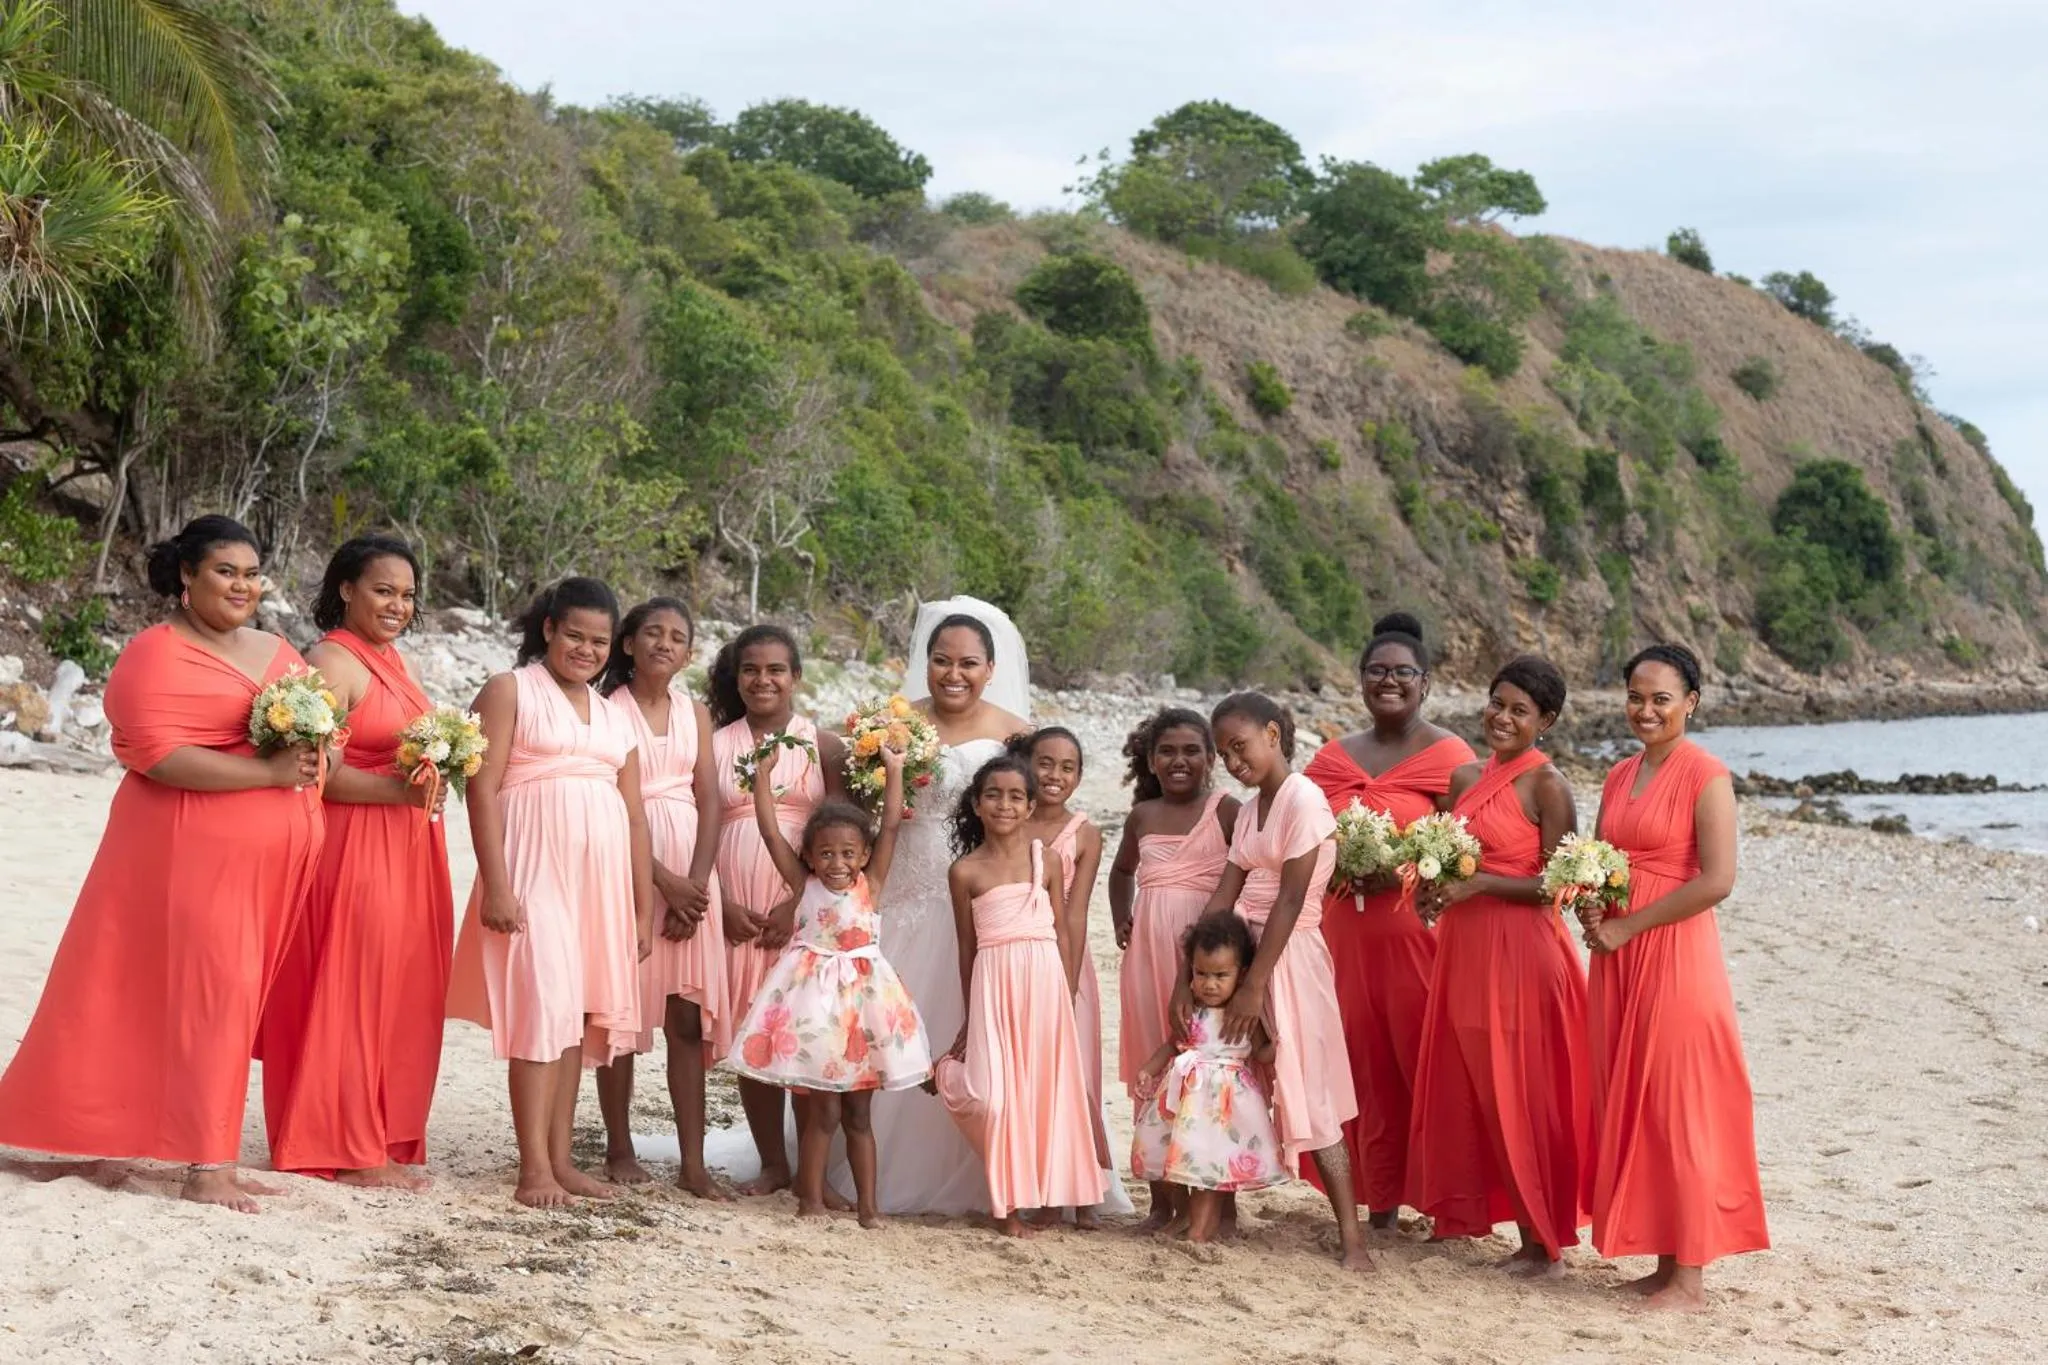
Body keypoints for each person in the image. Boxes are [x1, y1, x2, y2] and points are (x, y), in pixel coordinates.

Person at [0, 516, 324, 1213]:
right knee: (210, 992)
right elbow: (154, 753)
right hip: (183, 853)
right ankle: (207, 1167)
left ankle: (176, 1145)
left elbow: (320, 728)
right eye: (225, 571)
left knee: (226, 997)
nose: (241, 586)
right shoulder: (153, 654)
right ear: (186, 574)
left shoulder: (276, 650)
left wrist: (318, 748)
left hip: (268, 863)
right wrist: (269, 774)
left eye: (251, 573)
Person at [445, 577, 657, 1209]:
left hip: (600, 886)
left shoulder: (615, 712)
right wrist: (497, 884)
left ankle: (562, 1161)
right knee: (542, 1008)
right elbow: (480, 790)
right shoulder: (509, 689)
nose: (586, 650)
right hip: (533, 874)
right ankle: (533, 1168)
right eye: (574, 635)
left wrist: (642, 907)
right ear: (548, 629)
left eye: (599, 641)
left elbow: (635, 815)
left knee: (576, 1016)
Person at [258, 535, 451, 1191]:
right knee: (352, 986)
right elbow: (319, 773)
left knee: (394, 988)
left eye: (407, 594)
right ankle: (347, 1145)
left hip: (402, 841)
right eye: (383, 590)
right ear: (346, 589)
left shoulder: (393, 659)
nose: (398, 605)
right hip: (354, 846)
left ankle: (372, 1131)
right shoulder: (332, 662)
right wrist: (403, 792)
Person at [1580, 643, 1768, 1311]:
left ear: (1691, 702)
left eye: (1661, 698)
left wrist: (1630, 924)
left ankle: (1690, 1278)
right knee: (1640, 1102)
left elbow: (1718, 879)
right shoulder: (1618, 774)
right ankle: (1664, 1263)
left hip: (1675, 954)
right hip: (1618, 952)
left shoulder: (1706, 773)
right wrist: (1591, 902)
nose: (1646, 710)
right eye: (1635, 697)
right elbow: (1601, 858)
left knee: (1682, 1105)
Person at [849, 599, 1033, 1215]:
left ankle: (974, 1167)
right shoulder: (893, 724)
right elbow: (864, 803)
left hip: (971, 892)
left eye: (968, 664)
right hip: (900, 884)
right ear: (925, 663)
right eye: (941, 661)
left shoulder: (1016, 734)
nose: (954, 674)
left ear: (990, 669)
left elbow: (1028, 816)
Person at [1408, 656, 1589, 1273]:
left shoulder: (1548, 786)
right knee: (1476, 1088)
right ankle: (1485, 1216)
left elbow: (1560, 885)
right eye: (1496, 703)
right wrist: (1429, 890)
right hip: (1464, 949)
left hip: (1524, 954)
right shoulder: (1463, 778)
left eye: (1520, 710)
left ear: (1547, 721)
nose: (1502, 717)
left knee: (1525, 1091)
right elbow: (1447, 859)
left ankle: (1543, 1243)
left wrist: (1481, 884)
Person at [1180, 692, 1371, 1270]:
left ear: (1272, 733)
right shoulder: (1251, 809)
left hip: (1288, 959)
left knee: (1309, 1089)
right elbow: (1226, 891)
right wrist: (1186, 973)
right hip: (1243, 953)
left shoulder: (1303, 799)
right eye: (1225, 754)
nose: (1234, 761)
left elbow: (1290, 899)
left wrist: (1255, 984)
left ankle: (1352, 1239)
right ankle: (1221, 1213)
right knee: (1230, 1076)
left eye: (1240, 746)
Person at [1303, 611, 1474, 1228]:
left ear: (1426, 683)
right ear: (1360, 680)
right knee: (1357, 1064)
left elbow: (1469, 850)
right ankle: (1376, 1201)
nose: (1389, 681)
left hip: (1417, 936)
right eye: (1377, 671)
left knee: (1423, 1064)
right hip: (1341, 936)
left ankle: (1444, 1199)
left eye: (1403, 672)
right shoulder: (1331, 758)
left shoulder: (1451, 757)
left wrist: (1400, 872)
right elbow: (1300, 834)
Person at [726, 743, 930, 1227]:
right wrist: (762, 779)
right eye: (826, 854)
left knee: (859, 1116)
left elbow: (892, 826)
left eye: (848, 853)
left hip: (865, 1011)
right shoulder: (805, 886)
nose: (837, 863)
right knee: (823, 1114)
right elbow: (770, 832)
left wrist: (895, 769)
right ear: (809, 857)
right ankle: (810, 1200)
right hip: (816, 1012)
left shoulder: (870, 884)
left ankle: (869, 1208)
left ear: (864, 855)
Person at [933, 755, 1107, 1236]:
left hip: (1046, 984)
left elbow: (1062, 931)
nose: (1004, 805)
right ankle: (1006, 1208)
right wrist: (971, 1016)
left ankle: (1050, 1198)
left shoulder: (1045, 859)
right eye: (993, 795)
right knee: (996, 1098)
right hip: (995, 986)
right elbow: (966, 949)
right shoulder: (964, 871)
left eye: (1015, 796)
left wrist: (1066, 991)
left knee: (1047, 1089)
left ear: (1030, 806)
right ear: (976, 804)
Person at [593, 598, 729, 1197]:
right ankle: (618, 1147)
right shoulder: (605, 710)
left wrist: (694, 885)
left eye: (677, 637)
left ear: (689, 654)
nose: (664, 644)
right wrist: (662, 882)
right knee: (619, 1013)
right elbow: (609, 802)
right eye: (653, 633)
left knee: (686, 1019)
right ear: (628, 643)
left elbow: (711, 798)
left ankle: (692, 1162)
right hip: (628, 864)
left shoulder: (694, 713)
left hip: (694, 879)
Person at [705, 624, 847, 1196]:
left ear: (796, 677)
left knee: (806, 1033)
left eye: (775, 670)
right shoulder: (715, 743)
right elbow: (698, 827)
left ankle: (815, 1172)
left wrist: (799, 901)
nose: (762, 680)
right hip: (736, 906)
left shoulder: (822, 744)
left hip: (803, 908)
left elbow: (843, 834)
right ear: (736, 676)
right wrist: (721, 903)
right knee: (755, 1031)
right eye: (750, 669)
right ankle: (772, 1163)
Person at [1109, 708, 1238, 1231]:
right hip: (1147, 958)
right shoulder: (1142, 816)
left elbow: (1249, 877)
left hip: (1207, 964)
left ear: (1211, 758)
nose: (1178, 760)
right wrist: (1122, 917)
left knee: (1211, 1073)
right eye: (1166, 751)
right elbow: (1121, 871)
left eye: (1191, 751)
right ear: (1150, 759)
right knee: (1153, 1070)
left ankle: (1221, 1206)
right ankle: (1162, 1203)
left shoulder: (1226, 810)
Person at [1131, 911, 1287, 1242]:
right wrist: (1148, 1069)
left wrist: (1275, 1048)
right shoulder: (1191, 1009)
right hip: (1184, 1101)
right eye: (1201, 973)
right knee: (1169, 1162)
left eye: (1220, 975)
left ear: (1240, 975)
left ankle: (1200, 1230)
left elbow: (1260, 1051)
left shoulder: (1242, 1015)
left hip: (1222, 1106)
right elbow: (1172, 1045)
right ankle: (1184, 1215)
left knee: (1209, 1170)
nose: (1209, 984)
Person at [1013, 725, 1113, 1229]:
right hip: (1016, 963)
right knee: (1034, 1076)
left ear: (1079, 776)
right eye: (1045, 763)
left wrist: (1068, 981)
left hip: (1066, 961)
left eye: (1067, 767)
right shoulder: (1010, 818)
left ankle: (1085, 1192)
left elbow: (1076, 912)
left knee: (1077, 1076)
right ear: (1026, 764)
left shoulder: (1085, 834)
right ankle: (1045, 1189)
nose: (1055, 775)